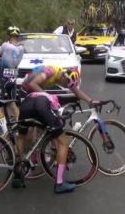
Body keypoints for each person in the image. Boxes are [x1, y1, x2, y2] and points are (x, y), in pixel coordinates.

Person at [12, 65, 98, 194]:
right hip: (30, 94)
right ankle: (59, 183)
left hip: (27, 102)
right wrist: (50, 100)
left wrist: (90, 100)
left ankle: (20, 168)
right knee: (63, 141)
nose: (65, 86)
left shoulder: (65, 77)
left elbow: (75, 90)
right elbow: (34, 84)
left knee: (22, 136)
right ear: (64, 76)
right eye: (65, 83)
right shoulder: (51, 71)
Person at [0, 26, 23, 134]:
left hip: (4, 78)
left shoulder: (5, 45)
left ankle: (5, 131)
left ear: (9, 35)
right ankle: (21, 128)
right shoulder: (21, 49)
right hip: (13, 78)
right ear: (18, 36)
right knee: (12, 103)